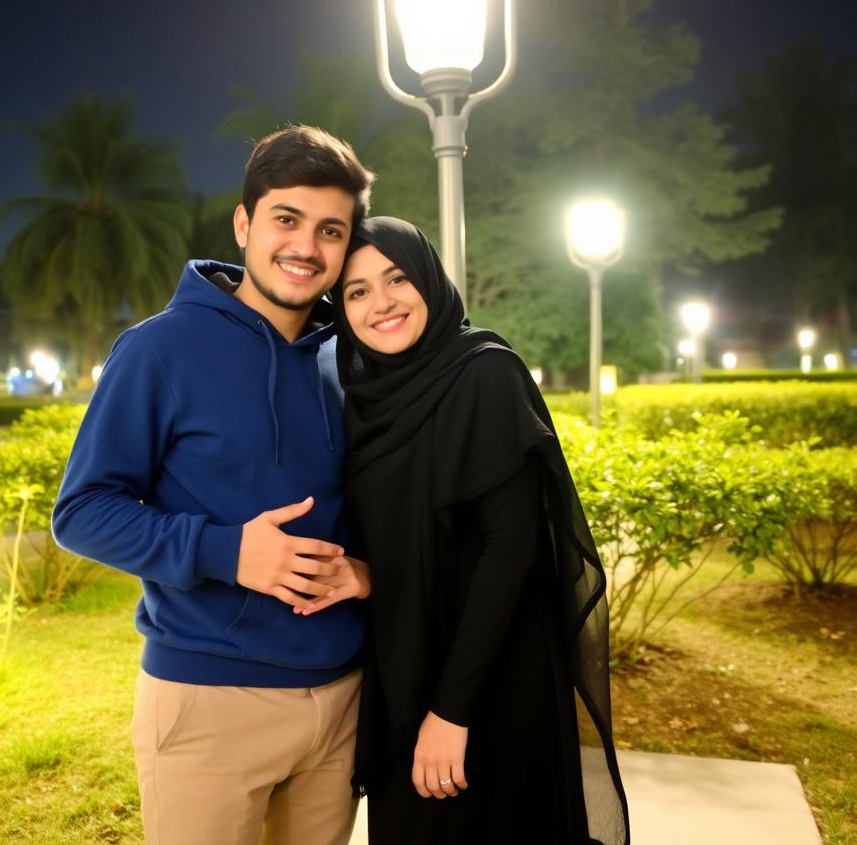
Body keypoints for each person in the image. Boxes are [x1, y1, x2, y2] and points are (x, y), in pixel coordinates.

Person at [52, 125, 376, 845]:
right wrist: (227, 554)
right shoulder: (159, 348)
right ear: (244, 223)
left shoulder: (350, 363)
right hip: (209, 700)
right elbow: (81, 513)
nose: (305, 246)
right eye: (285, 220)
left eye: (331, 230)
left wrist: (362, 570)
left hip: (342, 702)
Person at [300, 216, 630, 844]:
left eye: (397, 278)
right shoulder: (365, 399)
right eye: (357, 291)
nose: (382, 303)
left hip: (490, 678)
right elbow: (414, 535)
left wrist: (453, 711)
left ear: (429, 277)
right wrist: (368, 577)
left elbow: (509, 550)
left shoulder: (484, 371)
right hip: (407, 669)